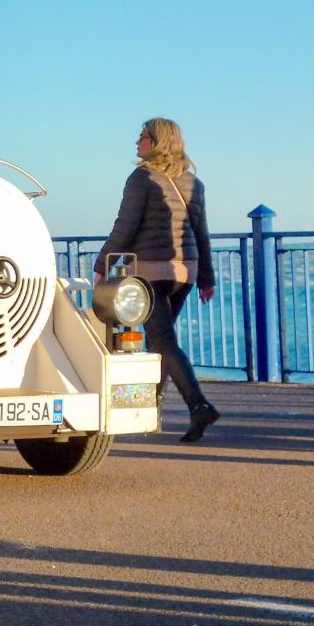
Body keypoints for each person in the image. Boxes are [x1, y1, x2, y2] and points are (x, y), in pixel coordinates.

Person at [94, 118, 219, 442]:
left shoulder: (142, 178)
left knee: (162, 341)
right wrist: (206, 276)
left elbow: (126, 225)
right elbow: (201, 234)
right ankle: (152, 410)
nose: (137, 142)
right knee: (160, 341)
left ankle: (198, 405)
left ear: (157, 141)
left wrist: (103, 262)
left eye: (142, 137)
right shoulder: (192, 181)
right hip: (185, 272)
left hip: (152, 271)